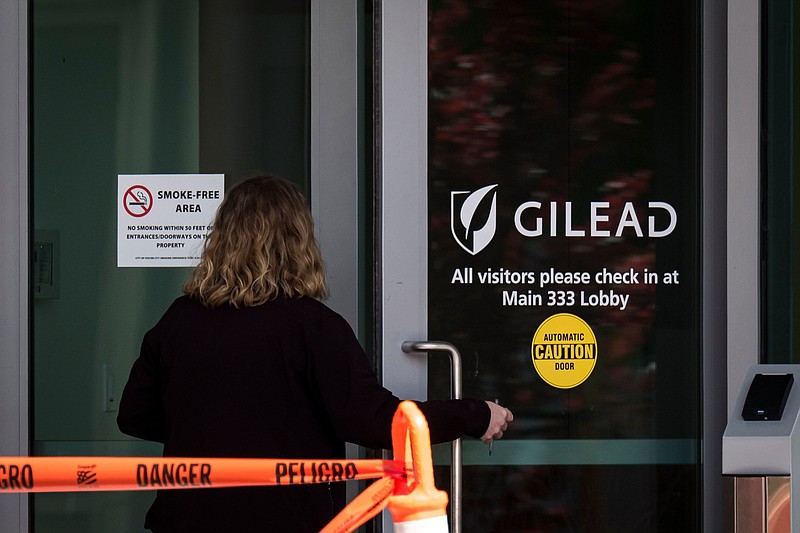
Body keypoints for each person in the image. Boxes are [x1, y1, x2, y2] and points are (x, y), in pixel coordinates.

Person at [117, 175, 513, 532]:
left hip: (187, 519)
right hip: (288, 518)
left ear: (221, 238)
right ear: (299, 241)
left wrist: (212, 431)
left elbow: (135, 416)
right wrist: (473, 414)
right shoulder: (313, 326)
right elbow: (374, 422)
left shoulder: (180, 320)